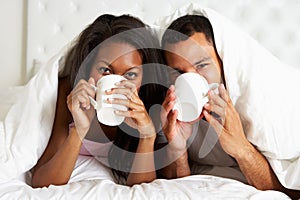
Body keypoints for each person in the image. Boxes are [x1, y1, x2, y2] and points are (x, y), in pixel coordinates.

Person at [159, 14, 300, 199]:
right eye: (178, 72)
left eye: (202, 65)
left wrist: (241, 148)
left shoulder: (254, 99)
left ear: (222, 60)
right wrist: (177, 149)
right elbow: (174, 187)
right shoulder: (170, 107)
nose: (193, 78)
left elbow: (292, 193)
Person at [31, 14, 167, 188]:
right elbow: (41, 183)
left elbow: (143, 190)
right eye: (105, 70)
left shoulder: (149, 102)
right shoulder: (70, 93)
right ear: (88, 68)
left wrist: (147, 135)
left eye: (131, 74)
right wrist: (80, 130)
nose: (116, 83)